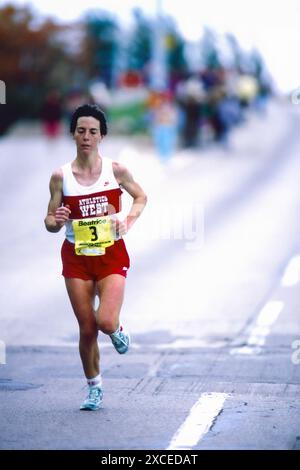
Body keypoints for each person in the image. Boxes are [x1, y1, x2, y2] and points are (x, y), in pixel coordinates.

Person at [44, 104, 147, 410]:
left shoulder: (115, 170)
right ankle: (94, 387)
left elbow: (141, 196)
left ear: (102, 136)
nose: (86, 137)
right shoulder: (60, 176)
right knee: (87, 327)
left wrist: (127, 220)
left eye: (92, 132)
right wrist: (57, 219)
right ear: (73, 134)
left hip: (111, 254)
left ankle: (116, 330)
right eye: (80, 131)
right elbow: (49, 221)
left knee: (104, 321)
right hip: (76, 257)